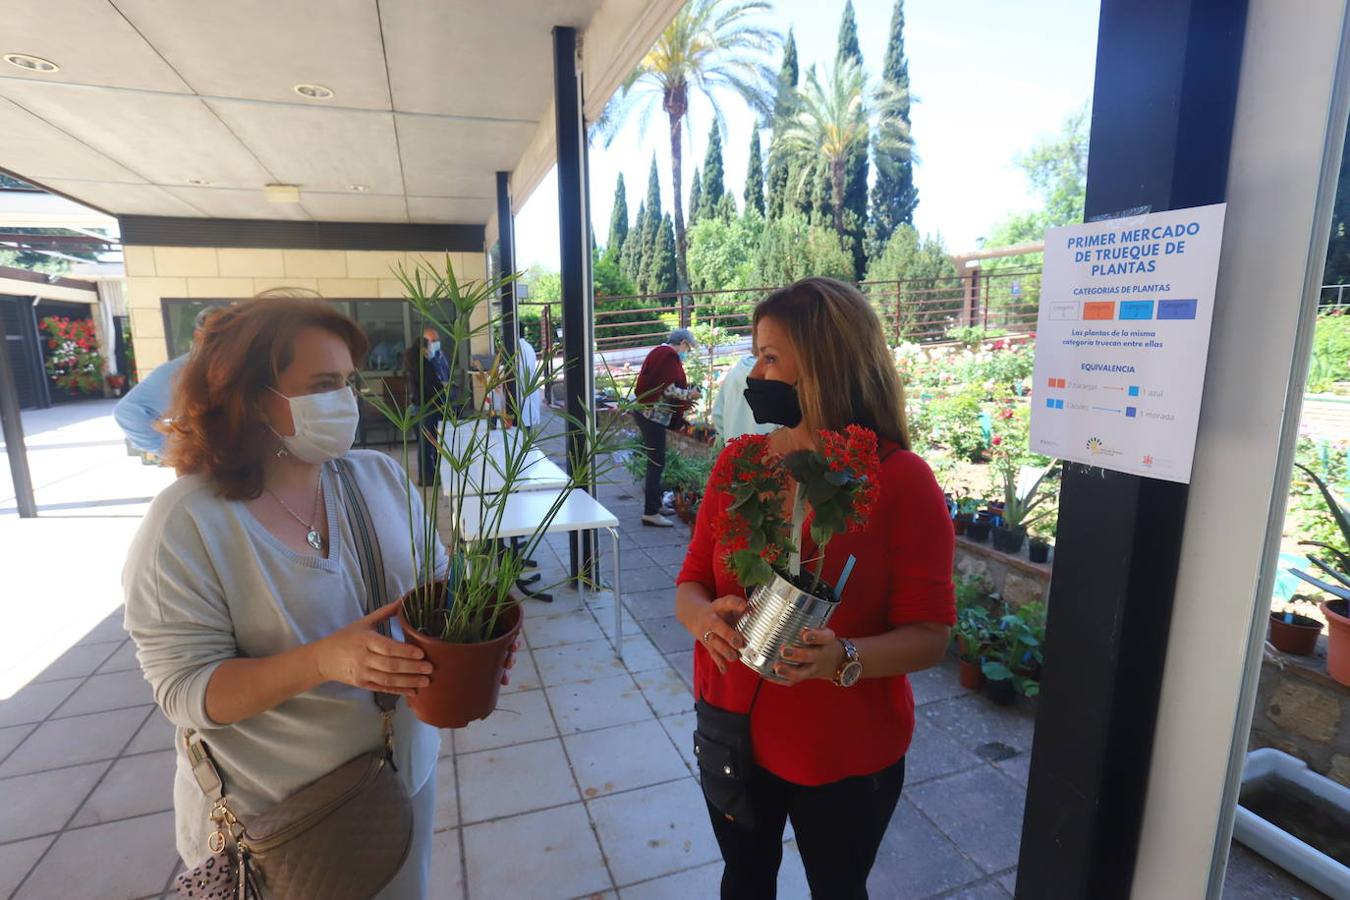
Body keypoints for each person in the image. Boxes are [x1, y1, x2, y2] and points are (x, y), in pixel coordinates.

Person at [122, 291, 516, 899]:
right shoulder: (189, 521)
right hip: (279, 823)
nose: (346, 401)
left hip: (397, 778)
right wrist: (324, 659)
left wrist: (474, 640)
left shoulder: (377, 476)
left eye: (348, 383)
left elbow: (438, 586)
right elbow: (185, 690)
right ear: (253, 396)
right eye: (325, 384)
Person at [674, 277, 956, 898]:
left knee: (837, 887)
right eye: (756, 354)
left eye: (770, 356)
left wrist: (843, 658)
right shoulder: (739, 462)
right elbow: (691, 582)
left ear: (825, 366)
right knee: (744, 880)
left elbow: (930, 637)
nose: (756, 371)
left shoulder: (900, 481)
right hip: (732, 730)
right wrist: (704, 619)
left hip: (845, 751)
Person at [113, 306, 223, 454]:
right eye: (216, 333)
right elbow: (127, 411)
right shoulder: (182, 370)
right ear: (199, 336)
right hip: (213, 463)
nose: (225, 339)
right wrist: (170, 452)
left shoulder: (244, 366)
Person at [633, 327, 702, 527]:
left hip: (647, 414)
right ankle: (650, 512)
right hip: (651, 416)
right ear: (682, 342)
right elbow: (669, 388)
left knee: (656, 461)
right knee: (656, 462)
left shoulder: (659, 352)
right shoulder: (668, 355)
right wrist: (690, 394)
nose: (687, 353)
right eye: (688, 348)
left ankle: (655, 504)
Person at [404, 332, 447, 486]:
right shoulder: (424, 365)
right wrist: (442, 387)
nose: (431, 350)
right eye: (429, 346)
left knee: (424, 445)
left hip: (417, 407)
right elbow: (430, 386)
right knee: (428, 445)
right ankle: (428, 477)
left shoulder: (414, 364)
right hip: (427, 408)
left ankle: (427, 475)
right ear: (423, 348)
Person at [710, 353, 776, 446]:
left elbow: (717, 416)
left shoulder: (733, 373)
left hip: (734, 453)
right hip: (771, 454)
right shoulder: (780, 378)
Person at [515, 334, 543, 433]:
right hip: (525, 390)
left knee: (523, 428)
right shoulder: (526, 346)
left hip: (524, 390)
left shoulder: (521, 348)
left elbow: (523, 370)